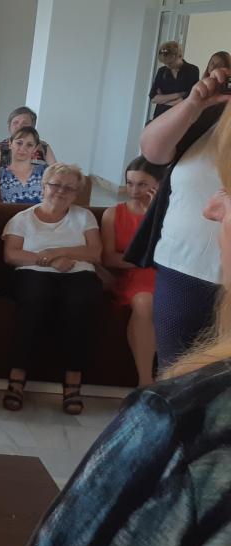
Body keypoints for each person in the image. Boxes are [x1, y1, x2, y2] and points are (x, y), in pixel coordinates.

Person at [0, 190, 231, 546]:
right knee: (38, 295)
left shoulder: (184, 417)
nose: (211, 208)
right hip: (37, 276)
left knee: (80, 298)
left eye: (228, 189)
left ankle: (71, 384)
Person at [126, 67, 229, 372]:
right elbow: (152, 151)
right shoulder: (211, 113)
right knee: (174, 374)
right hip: (182, 267)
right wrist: (194, 103)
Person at [0, 163, 101, 415]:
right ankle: (17, 379)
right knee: (33, 302)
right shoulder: (22, 219)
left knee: (80, 306)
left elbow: (95, 253)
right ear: (44, 186)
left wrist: (57, 252)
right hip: (33, 273)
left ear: (76, 193)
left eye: (69, 188)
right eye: (56, 185)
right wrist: (48, 261)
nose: (61, 191)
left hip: (78, 274)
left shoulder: (84, 217)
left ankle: (73, 383)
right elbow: (11, 255)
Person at [102, 157, 164, 386]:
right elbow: (109, 258)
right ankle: (145, 381)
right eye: (130, 183)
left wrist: (154, 214)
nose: (134, 190)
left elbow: (170, 252)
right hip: (132, 276)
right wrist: (144, 260)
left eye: (142, 184)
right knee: (144, 302)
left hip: (163, 274)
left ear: (158, 185)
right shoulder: (113, 214)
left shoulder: (168, 214)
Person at [0, 106, 57, 170]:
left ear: (32, 128)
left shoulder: (44, 146)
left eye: (25, 123)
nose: (19, 127)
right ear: (9, 126)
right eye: (15, 123)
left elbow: (55, 172)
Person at [0, 127, 47, 204]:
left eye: (29, 145)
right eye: (19, 143)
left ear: (35, 148)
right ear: (10, 144)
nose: (22, 148)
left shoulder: (45, 172)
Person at [150, 41, 200, 120]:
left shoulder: (192, 70)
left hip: (181, 115)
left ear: (179, 56)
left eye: (170, 62)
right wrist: (178, 95)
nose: (167, 65)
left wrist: (163, 100)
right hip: (160, 115)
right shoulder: (162, 71)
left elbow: (191, 97)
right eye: (165, 63)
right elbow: (153, 97)